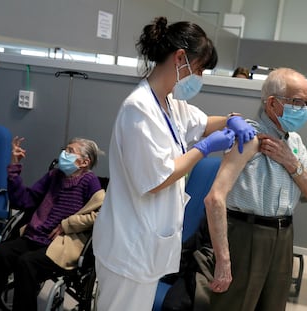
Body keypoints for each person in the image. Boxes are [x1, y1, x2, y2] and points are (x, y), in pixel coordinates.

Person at [92, 16, 256, 311]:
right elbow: (157, 178)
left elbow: (205, 122)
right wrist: (205, 149)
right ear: (180, 58)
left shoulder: (169, 104)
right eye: (200, 68)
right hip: (128, 246)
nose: (199, 77)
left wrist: (232, 119)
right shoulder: (138, 109)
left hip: (147, 244)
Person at [205, 67, 307, 311]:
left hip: (283, 235)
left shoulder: (294, 142)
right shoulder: (249, 136)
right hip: (245, 234)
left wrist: (292, 165)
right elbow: (214, 198)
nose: (303, 110)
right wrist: (223, 259)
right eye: (298, 102)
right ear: (273, 104)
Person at [0, 136, 105, 311]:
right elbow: (25, 200)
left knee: (26, 263)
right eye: (65, 150)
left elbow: (100, 215)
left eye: (70, 151)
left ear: (84, 162)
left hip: (61, 243)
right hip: (35, 235)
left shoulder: (89, 181)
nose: (64, 154)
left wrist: (67, 224)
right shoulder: (54, 175)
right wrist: (14, 167)